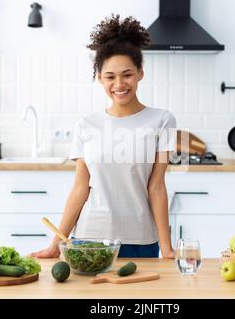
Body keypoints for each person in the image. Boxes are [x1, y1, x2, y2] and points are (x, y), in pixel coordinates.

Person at [31, 14, 176, 259]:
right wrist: (55, 244)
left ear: (141, 73)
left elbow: (157, 186)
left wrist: (167, 247)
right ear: (99, 78)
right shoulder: (86, 126)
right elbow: (80, 189)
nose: (119, 83)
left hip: (141, 238)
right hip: (90, 238)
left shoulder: (162, 120)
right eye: (110, 76)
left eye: (127, 74)